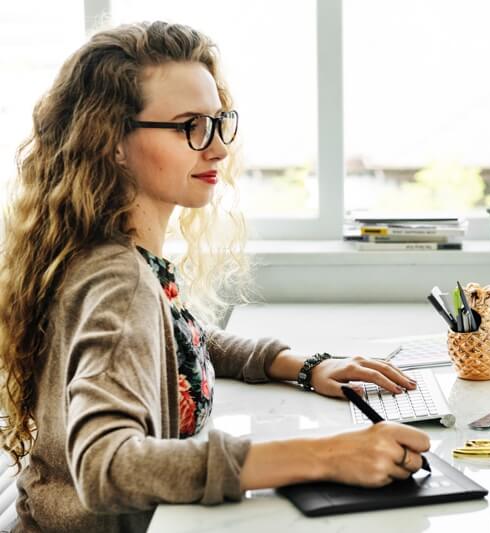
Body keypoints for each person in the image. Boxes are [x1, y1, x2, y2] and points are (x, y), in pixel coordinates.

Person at [0, 21, 430, 532]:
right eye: (189, 126)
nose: (219, 149)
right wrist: (326, 455)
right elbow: (106, 465)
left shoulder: (114, 254)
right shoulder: (118, 280)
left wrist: (300, 365)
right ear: (111, 141)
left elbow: (178, 344)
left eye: (216, 122)